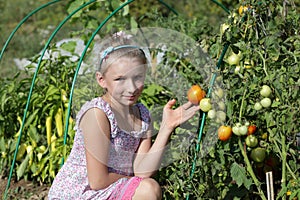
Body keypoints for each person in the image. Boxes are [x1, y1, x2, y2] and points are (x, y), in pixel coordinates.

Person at [48, 31, 200, 200]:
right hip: (82, 193)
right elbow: (98, 181)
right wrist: (136, 182)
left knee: (147, 187)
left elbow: (143, 170)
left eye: (138, 77)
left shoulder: (141, 114)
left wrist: (166, 128)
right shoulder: (97, 114)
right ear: (102, 80)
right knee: (148, 189)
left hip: (114, 189)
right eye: (120, 79)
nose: (131, 87)